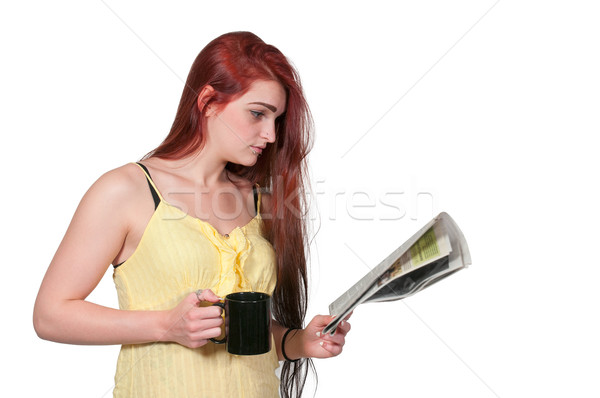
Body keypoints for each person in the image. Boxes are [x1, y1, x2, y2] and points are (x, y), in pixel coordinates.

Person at [33, 31, 350, 398]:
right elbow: (50, 315)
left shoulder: (260, 200)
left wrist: (299, 341)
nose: (271, 134)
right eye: (257, 114)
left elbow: (248, 332)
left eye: (276, 119)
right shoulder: (128, 190)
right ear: (208, 101)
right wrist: (166, 325)